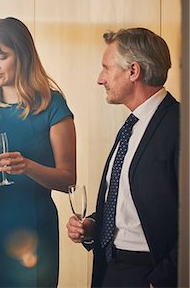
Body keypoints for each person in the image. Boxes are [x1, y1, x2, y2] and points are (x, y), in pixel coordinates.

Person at [0, 17, 76, 287]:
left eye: (1, 56)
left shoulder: (53, 105)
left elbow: (68, 179)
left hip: (35, 228)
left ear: (23, 56)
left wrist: (27, 166)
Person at [66, 28, 179, 287]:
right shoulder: (131, 127)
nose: (100, 79)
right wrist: (92, 226)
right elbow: (126, 204)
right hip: (111, 269)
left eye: (106, 68)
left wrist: (163, 279)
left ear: (133, 71)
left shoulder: (180, 126)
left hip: (151, 275)